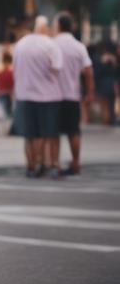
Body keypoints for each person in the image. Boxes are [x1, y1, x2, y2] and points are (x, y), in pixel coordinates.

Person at [13, 16, 64, 179]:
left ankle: (31, 166)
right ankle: (47, 163)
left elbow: (15, 68)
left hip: (24, 95)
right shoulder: (50, 45)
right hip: (47, 96)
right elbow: (57, 69)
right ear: (46, 27)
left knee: (30, 135)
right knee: (47, 133)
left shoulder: (20, 45)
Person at [52, 12, 94, 176]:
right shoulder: (79, 46)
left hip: (52, 96)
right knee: (73, 131)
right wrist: (90, 93)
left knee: (53, 132)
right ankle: (76, 162)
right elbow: (88, 71)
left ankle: (55, 164)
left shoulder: (51, 45)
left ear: (58, 26)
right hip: (72, 95)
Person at [93, 42, 118, 125]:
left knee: (105, 105)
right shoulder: (111, 58)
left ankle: (107, 122)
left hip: (104, 85)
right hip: (110, 85)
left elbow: (97, 73)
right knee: (109, 105)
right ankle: (110, 121)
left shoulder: (99, 58)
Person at [0, 50, 15, 134]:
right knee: (3, 113)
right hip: (1, 93)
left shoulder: (10, 73)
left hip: (6, 94)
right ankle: (4, 130)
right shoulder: (2, 72)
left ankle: (6, 130)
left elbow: (11, 85)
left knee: (5, 113)